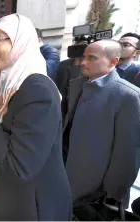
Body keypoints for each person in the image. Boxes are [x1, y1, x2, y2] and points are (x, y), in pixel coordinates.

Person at [0, 13, 72, 220]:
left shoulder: (37, 89)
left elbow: (18, 167)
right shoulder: (9, 83)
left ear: (21, 42)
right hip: (17, 197)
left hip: (35, 204)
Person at [64, 40, 140, 209]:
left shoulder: (128, 96)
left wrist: (113, 196)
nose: (83, 63)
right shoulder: (78, 85)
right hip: (67, 178)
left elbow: (127, 156)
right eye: (84, 57)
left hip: (96, 195)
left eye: (92, 58)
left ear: (113, 61)